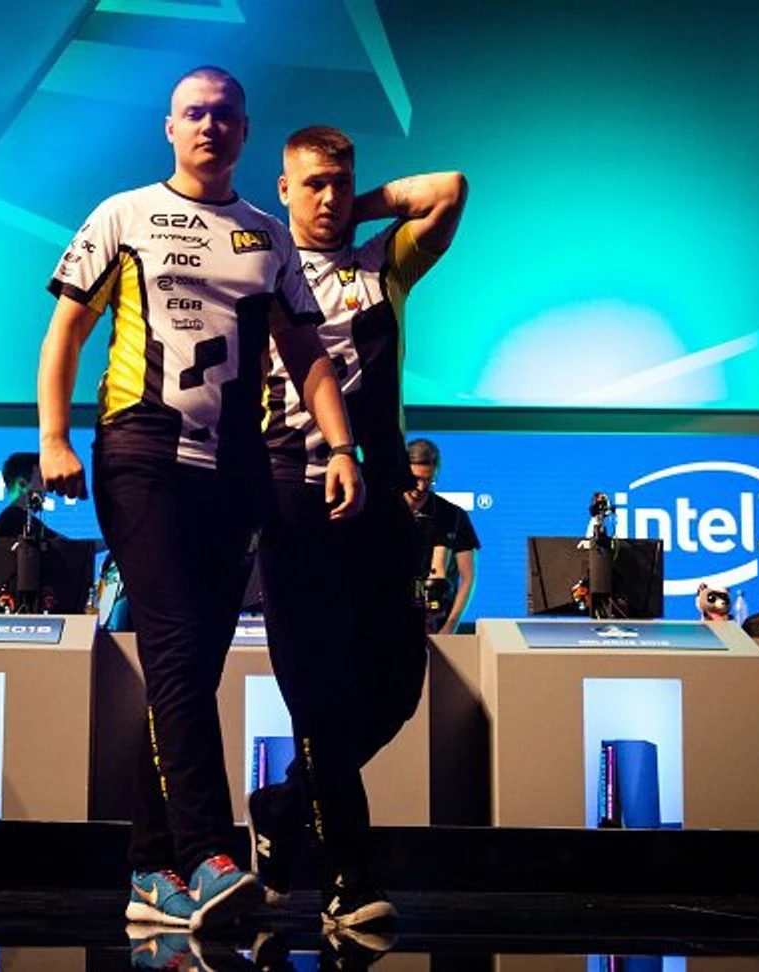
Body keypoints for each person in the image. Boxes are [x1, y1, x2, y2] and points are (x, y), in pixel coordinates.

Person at [37, 66, 364, 931]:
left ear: (245, 133)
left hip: (237, 470)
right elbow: (66, 329)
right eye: (194, 113)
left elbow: (308, 353)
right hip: (142, 453)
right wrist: (54, 438)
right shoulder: (124, 214)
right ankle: (209, 853)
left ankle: (150, 872)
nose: (210, 126)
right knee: (179, 658)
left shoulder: (267, 234)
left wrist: (341, 446)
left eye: (224, 115)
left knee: (190, 670)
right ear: (170, 128)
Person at [251, 125, 467, 930]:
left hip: (378, 501)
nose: (329, 197)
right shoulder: (260, 272)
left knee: (398, 688)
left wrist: (356, 209)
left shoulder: (384, 265)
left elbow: (448, 187)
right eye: (312, 184)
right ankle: (346, 875)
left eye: (340, 182)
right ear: (282, 188)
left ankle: (280, 808)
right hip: (291, 497)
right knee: (317, 692)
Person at [405, 437, 480, 635]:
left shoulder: (452, 514)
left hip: (437, 623)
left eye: (428, 480)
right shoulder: (383, 511)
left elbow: (468, 577)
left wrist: (450, 625)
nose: (421, 487)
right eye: (415, 479)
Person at [0, 451, 61, 540]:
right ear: (22, 484)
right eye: (41, 480)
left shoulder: (27, 521)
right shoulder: (11, 521)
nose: (46, 489)